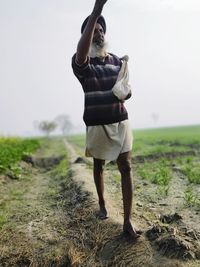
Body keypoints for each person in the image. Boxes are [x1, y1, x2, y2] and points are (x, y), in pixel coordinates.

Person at [71, 0, 142, 239]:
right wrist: (96, 12)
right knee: (99, 165)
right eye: (93, 31)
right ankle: (102, 204)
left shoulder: (116, 61)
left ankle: (127, 220)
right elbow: (81, 53)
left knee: (126, 167)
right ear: (86, 36)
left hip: (120, 121)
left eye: (101, 30)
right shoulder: (83, 64)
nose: (98, 34)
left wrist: (127, 91)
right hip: (97, 123)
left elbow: (125, 88)